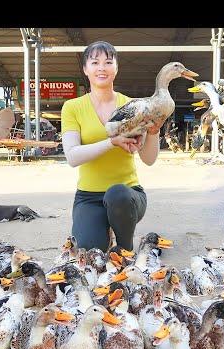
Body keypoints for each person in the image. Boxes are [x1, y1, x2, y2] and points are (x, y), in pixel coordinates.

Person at [60, 41, 160, 252]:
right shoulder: (72, 107)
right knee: (88, 250)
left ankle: (125, 248)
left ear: (116, 68)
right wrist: (111, 143)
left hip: (127, 196)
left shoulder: (134, 106)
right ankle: (103, 230)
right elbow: (72, 157)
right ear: (85, 69)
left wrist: (153, 131)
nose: (101, 68)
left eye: (108, 62)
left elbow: (149, 160)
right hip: (88, 197)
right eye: (95, 62)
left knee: (117, 195)